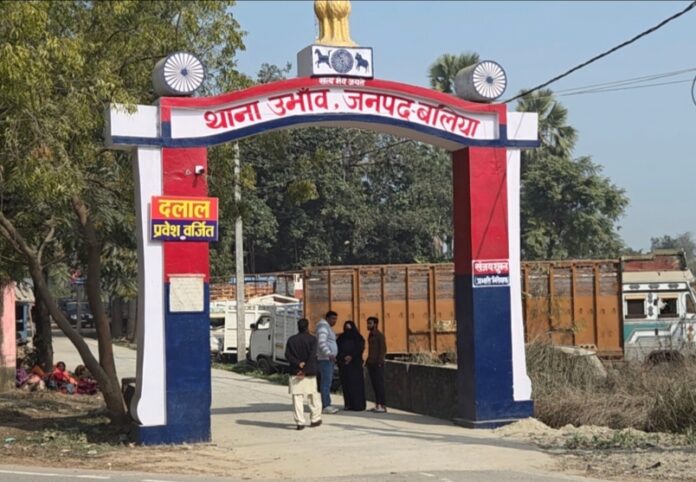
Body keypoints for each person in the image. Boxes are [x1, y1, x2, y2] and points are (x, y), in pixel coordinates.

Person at [284, 318, 322, 430]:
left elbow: (288, 355)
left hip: (295, 372)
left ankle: (300, 422)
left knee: (297, 398)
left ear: (298, 326)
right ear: (307, 326)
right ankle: (315, 419)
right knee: (313, 397)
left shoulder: (291, 340)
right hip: (309, 373)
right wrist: (305, 370)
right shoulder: (312, 339)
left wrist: (298, 364)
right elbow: (312, 356)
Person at [336, 320, 366, 411]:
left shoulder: (358, 338)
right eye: (346, 328)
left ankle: (358, 405)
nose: (348, 330)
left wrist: (351, 356)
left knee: (356, 386)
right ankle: (348, 404)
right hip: (344, 365)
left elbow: (360, 348)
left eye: (349, 328)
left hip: (355, 365)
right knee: (346, 385)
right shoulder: (341, 338)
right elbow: (337, 349)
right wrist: (343, 357)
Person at [315, 310, 339, 413]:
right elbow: (321, 342)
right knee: (326, 382)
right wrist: (329, 353)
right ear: (327, 318)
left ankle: (327, 403)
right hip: (325, 359)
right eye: (333, 319)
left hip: (328, 359)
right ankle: (326, 405)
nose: (334, 321)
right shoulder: (323, 327)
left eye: (336, 319)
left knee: (327, 382)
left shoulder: (327, 328)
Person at [366, 316, 387, 413]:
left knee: (379, 385)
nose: (368, 325)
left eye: (370, 323)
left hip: (378, 364)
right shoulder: (370, 335)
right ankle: (377, 404)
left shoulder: (379, 335)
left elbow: (383, 350)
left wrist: (379, 362)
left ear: (375, 324)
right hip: (371, 363)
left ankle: (382, 405)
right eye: (368, 323)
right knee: (374, 385)